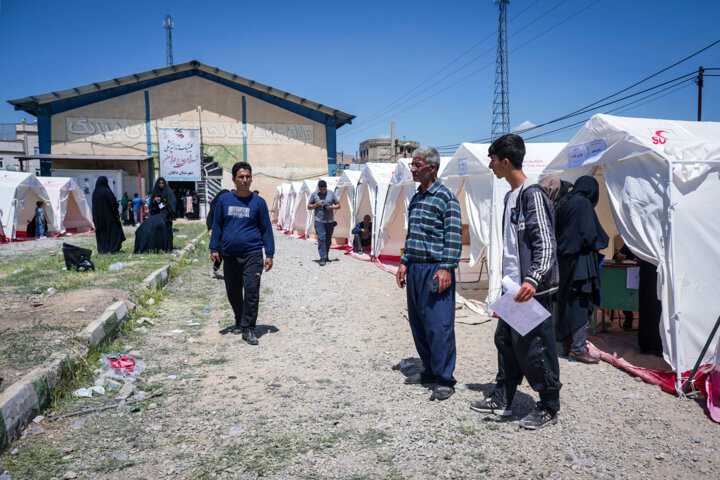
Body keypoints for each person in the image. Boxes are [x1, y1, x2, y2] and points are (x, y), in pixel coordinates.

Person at [469, 133, 562, 430]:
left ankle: (549, 405)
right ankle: (503, 397)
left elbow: (546, 244)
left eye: (493, 160)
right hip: (513, 288)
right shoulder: (511, 196)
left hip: (530, 290)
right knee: (505, 341)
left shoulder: (532, 194)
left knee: (536, 348)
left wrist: (533, 279)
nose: (490, 165)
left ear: (506, 162)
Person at [395, 146, 462, 402]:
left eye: (417, 165)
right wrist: (403, 262)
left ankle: (445, 379)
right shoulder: (416, 198)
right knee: (419, 323)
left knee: (439, 325)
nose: (412, 169)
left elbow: (453, 237)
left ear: (431, 168)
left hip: (436, 269)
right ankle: (430, 370)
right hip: (415, 269)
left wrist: (446, 267)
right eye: (412, 165)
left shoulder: (446, 198)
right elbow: (412, 235)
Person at [210, 162, 274, 345]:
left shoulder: (259, 203)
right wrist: (214, 248)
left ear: (251, 179)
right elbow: (217, 225)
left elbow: (266, 230)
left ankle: (248, 329)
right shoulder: (224, 200)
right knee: (233, 291)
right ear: (234, 179)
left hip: (252, 254)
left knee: (252, 291)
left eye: (248, 177)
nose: (245, 180)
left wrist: (269, 253)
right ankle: (239, 318)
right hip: (229, 254)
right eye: (241, 177)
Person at [555, 176, 608, 364]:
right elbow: (592, 235)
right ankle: (578, 349)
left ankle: (567, 345)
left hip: (565, 263)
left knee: (568, 303)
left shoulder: (565, 202)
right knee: (581, 304)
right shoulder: (583, 204)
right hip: (581, 264)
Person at [308, 180, 340, 266]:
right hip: (319, 221)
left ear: (326, 187)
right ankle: (322, 258)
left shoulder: (331, 193)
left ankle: (326, 256)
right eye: (321, 189)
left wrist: (331, 207)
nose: (323, 191)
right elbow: (309, 207)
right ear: (319, 188)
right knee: (322, 238)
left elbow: (338, 205)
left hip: (330, 221)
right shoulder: (315, 194)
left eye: (324, 189)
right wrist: (316, 204)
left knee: (328, 240)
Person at [92, 176, 125, 254]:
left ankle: (102, 249)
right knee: (113, 231)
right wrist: (116, 212)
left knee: (102, 233)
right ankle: (112, 248)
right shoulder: (106, 191)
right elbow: (114, 203)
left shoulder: (95, 193)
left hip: (98, 218)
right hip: (109, 217)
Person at [206, 189, 230, 276]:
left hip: (227, 231)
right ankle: (217, 265)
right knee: (219, 249)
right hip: (217, 231)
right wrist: (210, 229)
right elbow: (210, 218)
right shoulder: (215, 206)